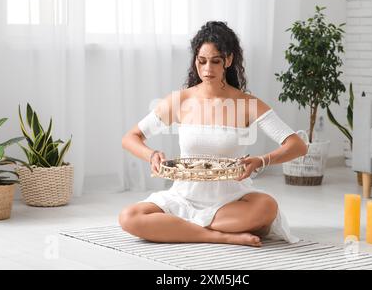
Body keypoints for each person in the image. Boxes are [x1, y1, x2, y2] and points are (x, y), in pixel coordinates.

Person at [120, 21, 308, 247]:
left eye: (215, 61)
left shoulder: (247, 104)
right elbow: (131, 137)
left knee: (266, 207)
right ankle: (220, 236)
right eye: (202, 61)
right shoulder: (180, 100)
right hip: (184, 197)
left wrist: (262, 160)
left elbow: (298, 145)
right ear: (195, 61)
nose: (208, 69)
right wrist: (151, 155)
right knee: (129, 217)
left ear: (228, 60)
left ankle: (179, 228)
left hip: (230, 200)